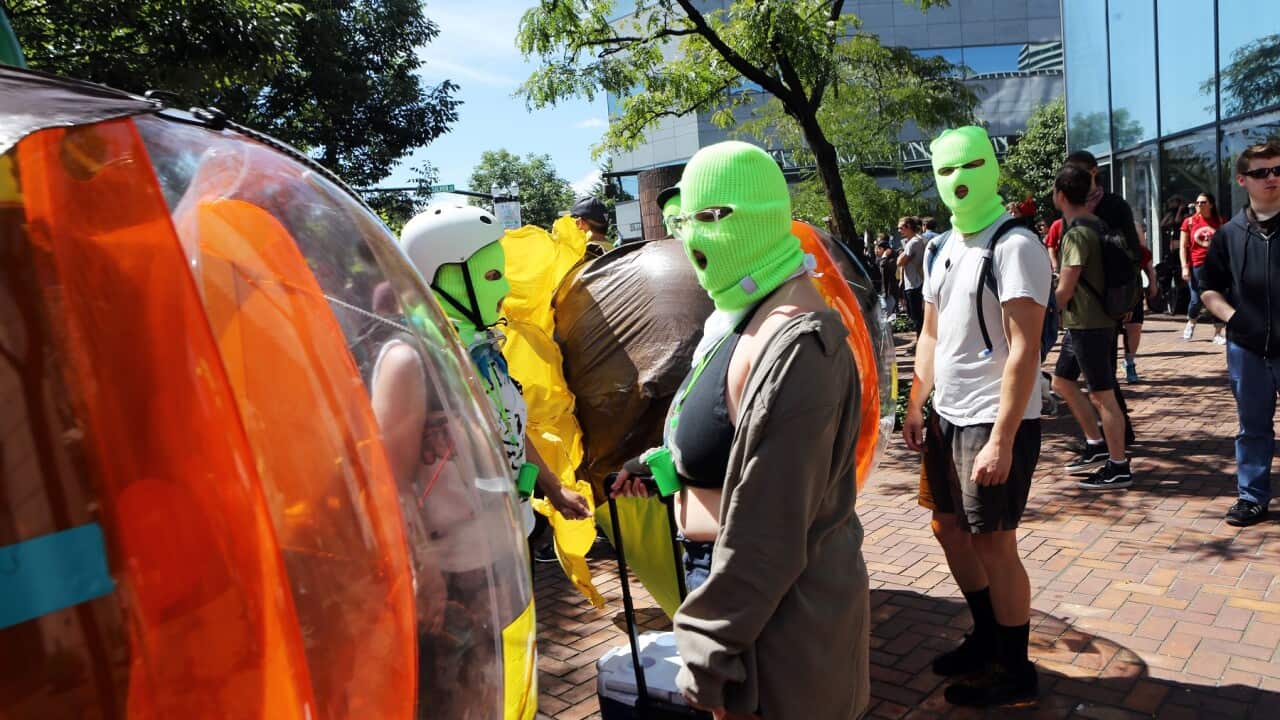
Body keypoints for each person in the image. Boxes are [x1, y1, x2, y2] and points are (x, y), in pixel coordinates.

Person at [614, 141, 869, 719]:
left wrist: (708, 649)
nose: (696, 238)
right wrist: (663, 465)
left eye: (714, 217)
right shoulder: (743, 310)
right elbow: (732, 441)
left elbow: (770, 531)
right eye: (686, 221)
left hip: (775, 621)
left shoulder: (799, 343)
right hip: (733, 594)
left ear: (762, 217)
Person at [903, 126, 1048, 707]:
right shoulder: (943, 247)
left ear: (992, 165)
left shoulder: (1014, 244)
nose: (957, 179)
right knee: (948, 528)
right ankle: (988, 636)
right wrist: (914, 403)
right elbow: (931, 335)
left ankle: (1015, 670)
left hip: (992, 420)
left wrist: (1003, 439)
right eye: (944, 169)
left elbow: (1024, 348)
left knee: (994, 543)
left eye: (969, 165)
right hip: (946, 415)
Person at [398, 205, 592, 528]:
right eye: (491, 276)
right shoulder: (417, 358)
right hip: (460, 558)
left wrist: (554, 488)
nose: (504, 290)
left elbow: (511, 427)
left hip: (511, 539)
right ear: (444, 279)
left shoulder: (486, 348)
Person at [1200, 141, 1280, 527]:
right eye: (1263, 172)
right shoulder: (1228, 234)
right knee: (1253, 427)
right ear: (1243, 180)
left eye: (1278, 170)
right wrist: (1233, 319)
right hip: (1248, 348)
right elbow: (1209, 287)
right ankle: (1252, 497)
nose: (1273, 179)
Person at [1049, 165, 1134, 490]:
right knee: (1062, 381)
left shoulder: (1077, 234)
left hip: (1089, 324)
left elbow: (1066, 289)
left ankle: (1118, 466)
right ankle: (1096, 445)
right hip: (1087, 322)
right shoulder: (1096, 224)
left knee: (1103, 396)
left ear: (1060, 195)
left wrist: (1041, 315)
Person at [1063, 151, 1138, 447]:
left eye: (1079, 172)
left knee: (1102, 383)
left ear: (1094, 172)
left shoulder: (1113, 205)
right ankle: (1100, 442)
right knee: (1066, 379)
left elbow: (1128, 251)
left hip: (1101, 309)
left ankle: (1116, 444)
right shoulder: (1073, 209)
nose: (1075, 179)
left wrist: (1130, 300)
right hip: (1079, 311)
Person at [1180, 192, 1226, 343]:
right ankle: (1191, 322)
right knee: (1196, 299)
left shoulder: (1219, 221)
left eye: (1203, 202)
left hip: (1216, 265)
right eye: (1197, 202)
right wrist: (1184, 267)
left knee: (1217, 297)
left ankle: (1218, 333)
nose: (1199, 205)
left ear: (1211, 204)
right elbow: (1183, 247)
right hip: (1197, 265)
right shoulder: (1190, 222)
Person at [897, 215, 927, 333]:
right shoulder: (921, 240)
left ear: (908, 227)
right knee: (919, 316)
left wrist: (902, 253)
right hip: (920, 281)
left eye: (900, 228)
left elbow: (899, 262)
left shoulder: (912, 243)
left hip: (914, 284)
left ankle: (920, 343)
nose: (899, 231)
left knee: (917, 318)